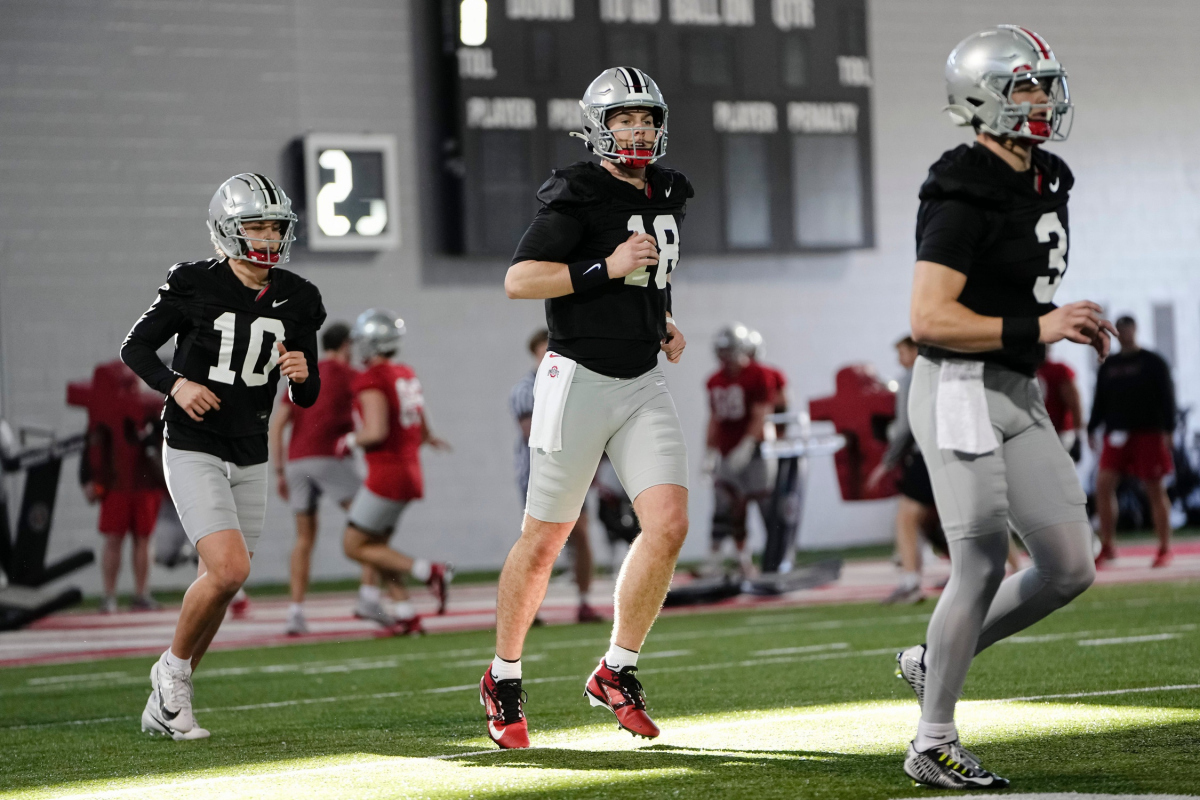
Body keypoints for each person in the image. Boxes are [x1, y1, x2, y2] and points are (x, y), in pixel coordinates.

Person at [895, 27, 1115, 788]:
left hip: (1017, 389)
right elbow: (928, 318)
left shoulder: (1045, 174)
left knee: (1068, 567)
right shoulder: (961, 186)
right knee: (983, 561)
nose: (1042, 101)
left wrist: (1058, 324)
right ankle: (931, 740)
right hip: (956, 386)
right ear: (981, 97)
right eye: (1025, 87)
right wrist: (1043, 325)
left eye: (1045, 86)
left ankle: (933, 660)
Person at [482, 66, 692, 750]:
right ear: (599, 125)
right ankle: (504, 677)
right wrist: (602, 266)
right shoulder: (577, 190)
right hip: (577, 377)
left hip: (641, 379)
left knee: (668, 525)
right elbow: (520, 280)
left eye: (647, 119)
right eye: (625, 119)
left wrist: (661, 318)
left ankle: (617, 669)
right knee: (545, 541)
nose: (638, 130)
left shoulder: (667, 191)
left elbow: (649, 272)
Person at [122, 173, 326, 740]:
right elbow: (135, 346)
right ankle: (170, 675)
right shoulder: (193, 282)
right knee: (231, 568)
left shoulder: (299, 296)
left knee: (224, 581)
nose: (267, 235)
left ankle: (170, 699)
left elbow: (306, 394)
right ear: (226, 230)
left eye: (274, 225)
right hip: (193, 442)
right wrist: (175, 385)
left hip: (252, 446)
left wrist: (304, 377)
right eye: (254, 224)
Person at [339, 309, 453, 635]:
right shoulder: (404, 372)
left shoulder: (372, 377)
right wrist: (429, 437)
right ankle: (405, 613)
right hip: (408, 471)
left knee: (353, 545)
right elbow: (420, 423)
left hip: (386, 474)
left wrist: (349, 441)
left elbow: (374, 431)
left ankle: (430, 571)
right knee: (380, 551)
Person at [269, 321, 375, 636]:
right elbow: (372, 412)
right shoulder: (348, 374)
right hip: (330, 458)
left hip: (297, 462)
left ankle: (296, 612)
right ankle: (369, 597)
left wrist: (279, 470)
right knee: (371, 525)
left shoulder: (306, 371)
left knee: (303, 539)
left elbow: (278, 425)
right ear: (346, 345)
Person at [511, 328, 601, 624]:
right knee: (539, 540)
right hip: (540, 474)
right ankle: (528, 606)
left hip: (572, 470)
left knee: (582, 535)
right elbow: (534, 434)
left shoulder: (574, 384)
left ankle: (585, 601)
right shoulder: (527, 389)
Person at [1089, 316, 1177, 568]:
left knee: (1154, 488)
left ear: (1135, 330)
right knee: (1103, 485)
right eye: (1122, 329)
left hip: (1149, 432)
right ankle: (1108, 545)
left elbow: (1167, 395)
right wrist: (1093, 427)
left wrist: (1169, 429)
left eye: (1129, 328)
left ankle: (1164, 547)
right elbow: (1100, 399)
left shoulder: (1152, 361)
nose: (1126, 333)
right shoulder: (1110, 365)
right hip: (1117, 433)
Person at [79, 370, 164, 614]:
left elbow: (161, 442)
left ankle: (141, 592)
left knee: (144, 540)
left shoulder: (151, 411)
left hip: (144, 483)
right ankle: (109, 594)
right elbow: (93, 443)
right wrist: (87, 478)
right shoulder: (108, 410)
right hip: (117, 484)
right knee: (114, 540)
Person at [702, 324, 776, 578]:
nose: (725, 356)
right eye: (721, 351)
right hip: (727, 452)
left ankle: (775, 558)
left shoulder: (759, 374)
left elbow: (762, 413)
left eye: (729, 350)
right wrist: (709, 453)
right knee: (726, 507)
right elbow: (714, 419)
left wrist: (747, 445)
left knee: (767, 507)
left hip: (755, 453)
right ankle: (735, 561)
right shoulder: (713, 380)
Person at [868, 336, 938, 605]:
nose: (899, 359)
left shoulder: (913, 376)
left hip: (927, 454)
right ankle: (1009, 570)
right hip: (951, 450)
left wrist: (886, 463)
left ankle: (910, 582)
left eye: (902, 352)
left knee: (906, 517)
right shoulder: (939, 372)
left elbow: (907, 426)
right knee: (944, 521)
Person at [1037, 348, 1086, 462]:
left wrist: (1078, 437)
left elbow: (1075, 404)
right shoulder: (1024, 374)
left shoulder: (1058, 371)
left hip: (1059, 435)